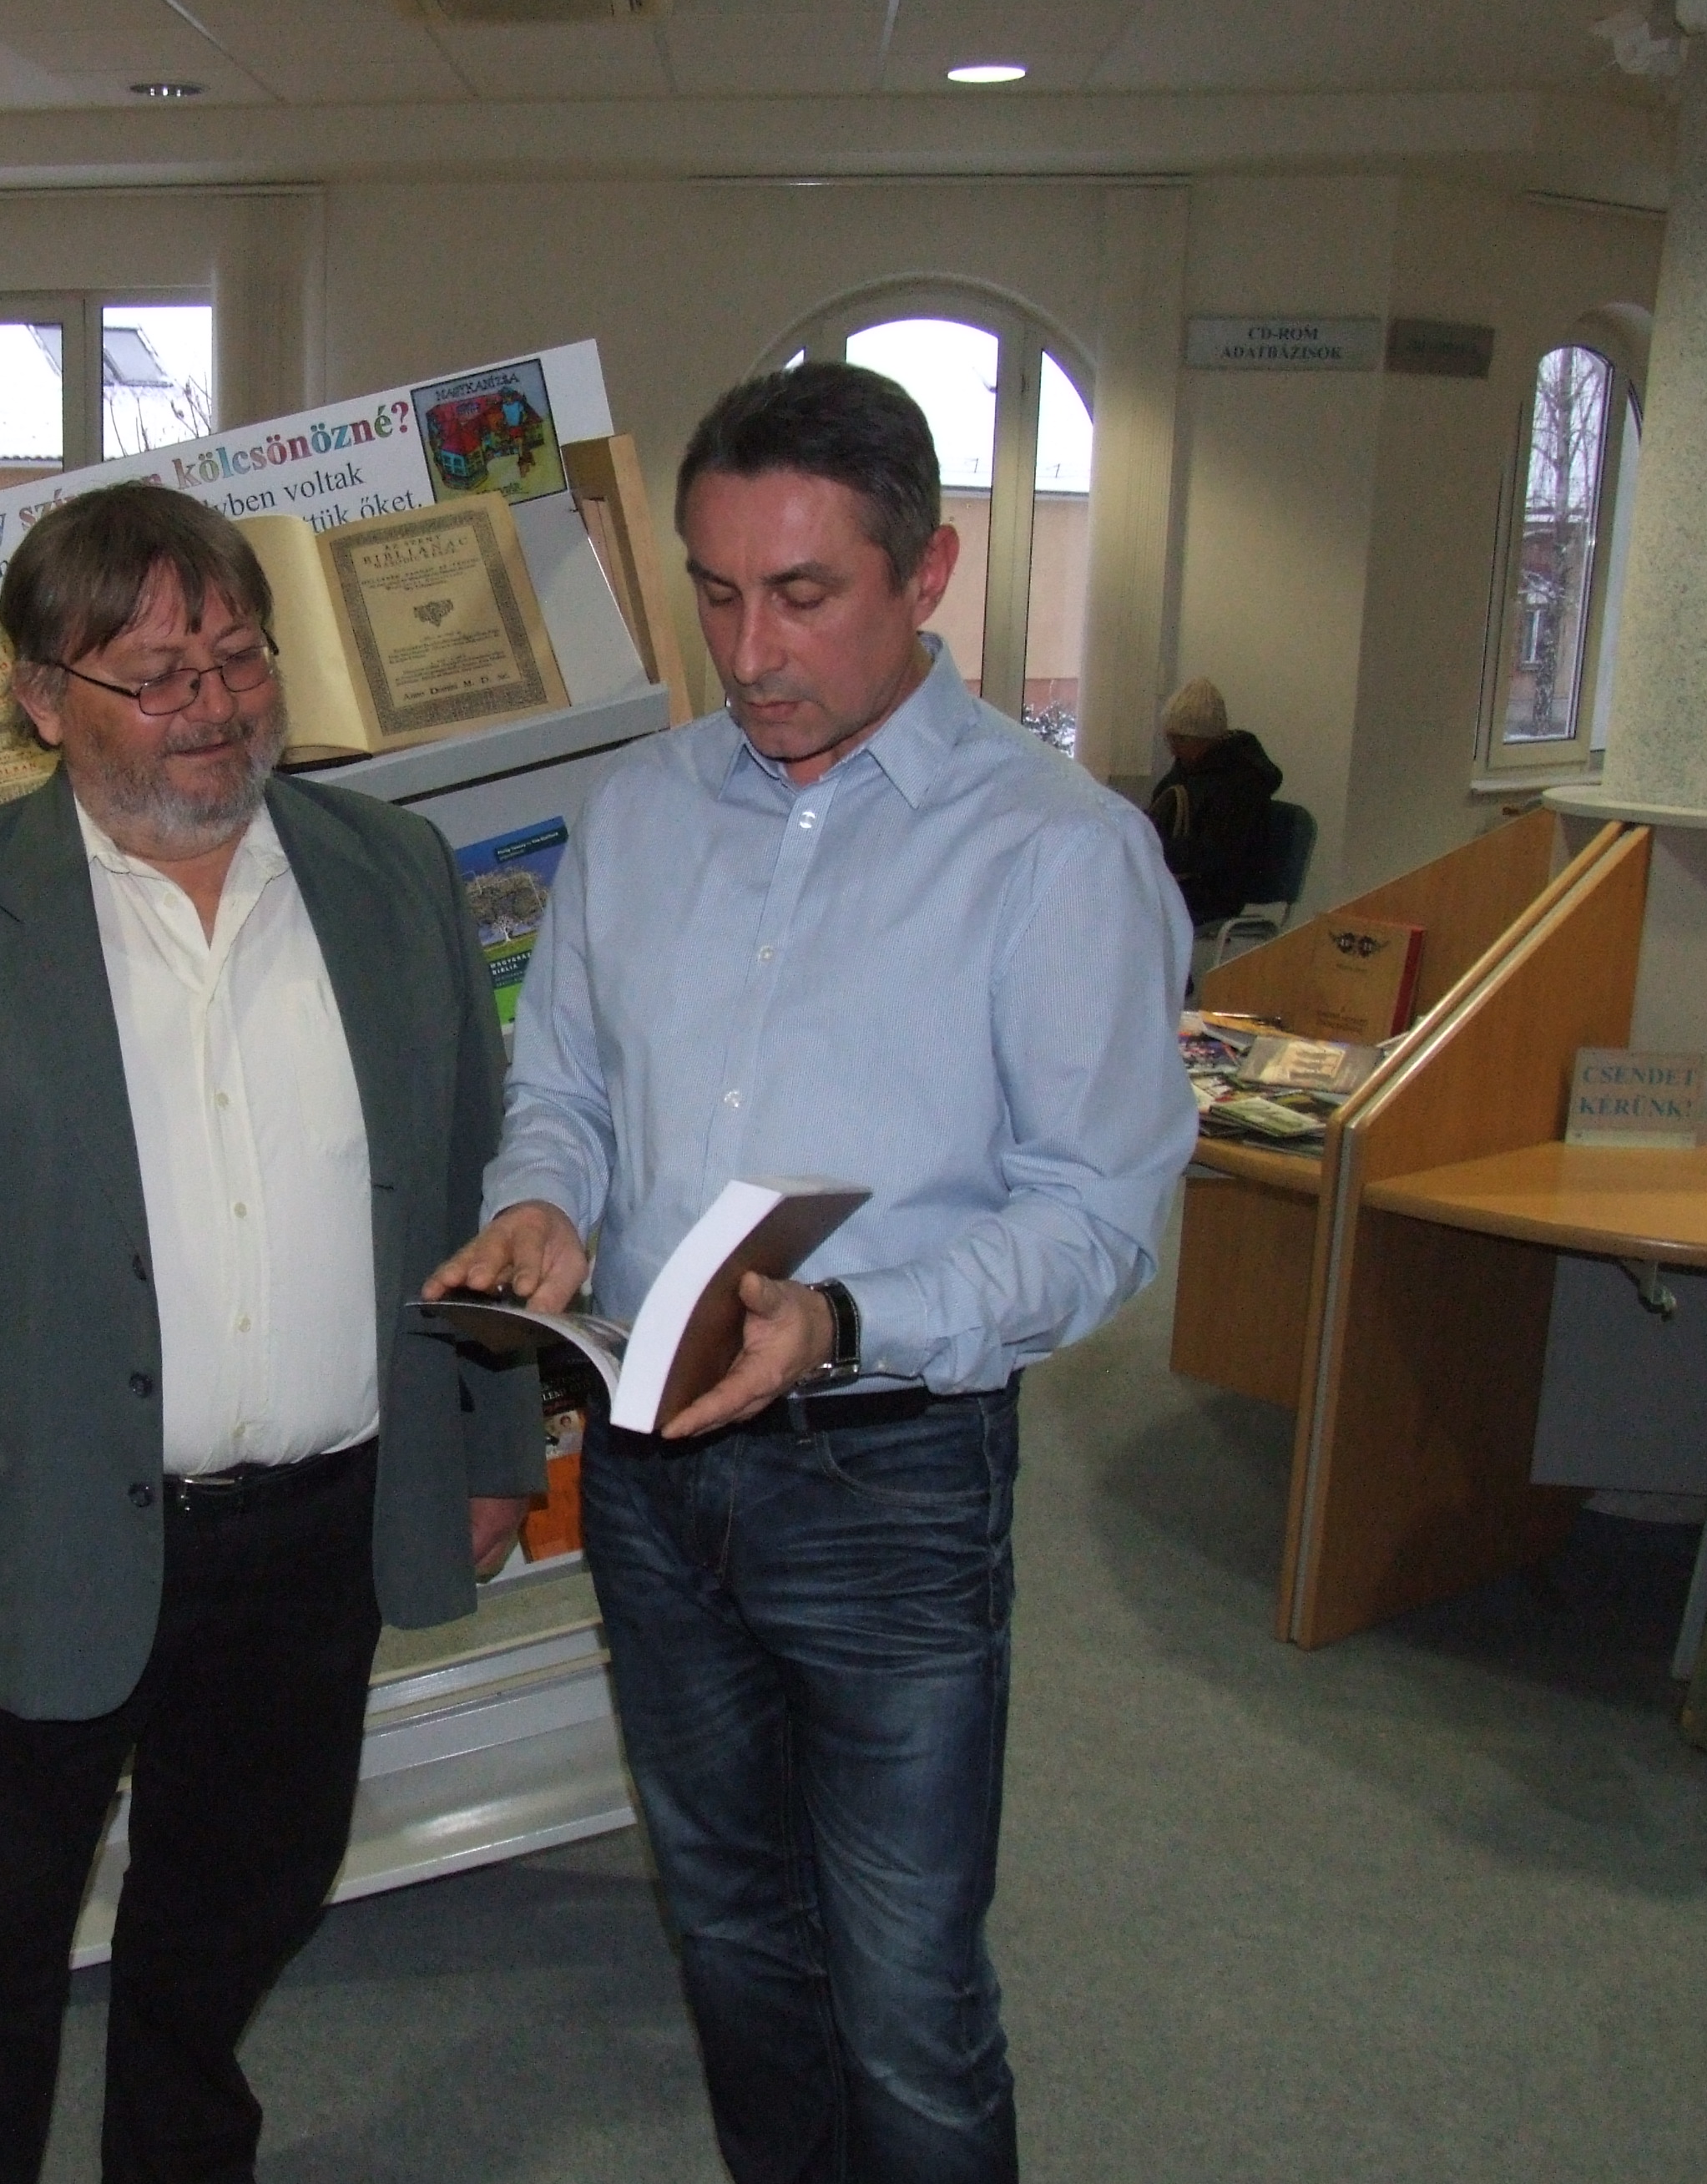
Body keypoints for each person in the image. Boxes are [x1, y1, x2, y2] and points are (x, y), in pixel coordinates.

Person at [427, 362, 1196, 2184]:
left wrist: (848, 1320)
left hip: (889, 1479)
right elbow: (565, 1095)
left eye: (800, 594)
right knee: (729, 1936)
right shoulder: (635, 811)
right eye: (713, 593)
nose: (748, 651)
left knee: (904, 1992)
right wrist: (544, 1205)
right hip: (647, 1463)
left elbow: (1097, 1215)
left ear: (924, 575)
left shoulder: (1055, 851)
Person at [0, 479, 543, 2184]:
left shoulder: (391, 873)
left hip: (317, 1528)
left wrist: (491, 1445)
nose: (212, 705)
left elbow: (465, 1178)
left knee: (233, 1915)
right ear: (42, 698)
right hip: (36, 1522)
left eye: (238, 657)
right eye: (155, 673)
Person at [1147, 675, 1284, 925]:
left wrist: (1153, 848)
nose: (1172, 749)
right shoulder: (1185, 769)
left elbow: (1216, 854)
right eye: (1170, 738)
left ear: (1207, 739)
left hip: (1213, 893)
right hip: (1181, 882)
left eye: (1180, 740)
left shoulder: (1242, 782)